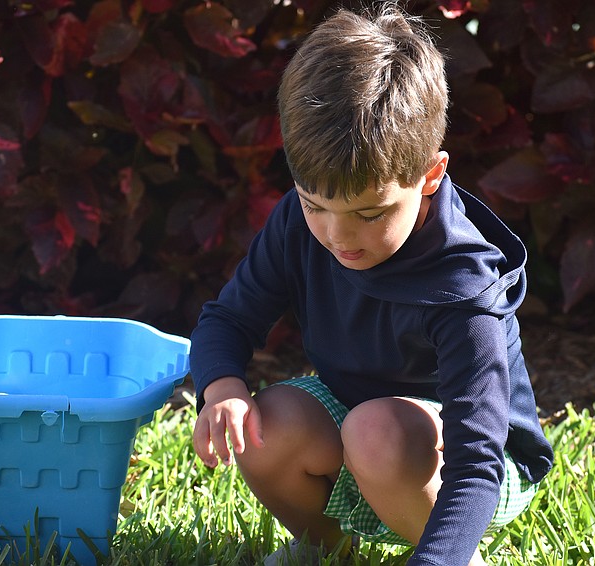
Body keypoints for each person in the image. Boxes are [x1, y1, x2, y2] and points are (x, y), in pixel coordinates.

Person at [189, 4, 554, 565]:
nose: (337, 235)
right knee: (270, 424)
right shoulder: (298, 224)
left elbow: (476, 462)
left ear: (430, 176)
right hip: (360, 420)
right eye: (315, 205)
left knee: (376, 430)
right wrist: (222, 390)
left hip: (478, 463)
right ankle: (326, 550)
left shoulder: (463, 285)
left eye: (368, 213)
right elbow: (229, 319)